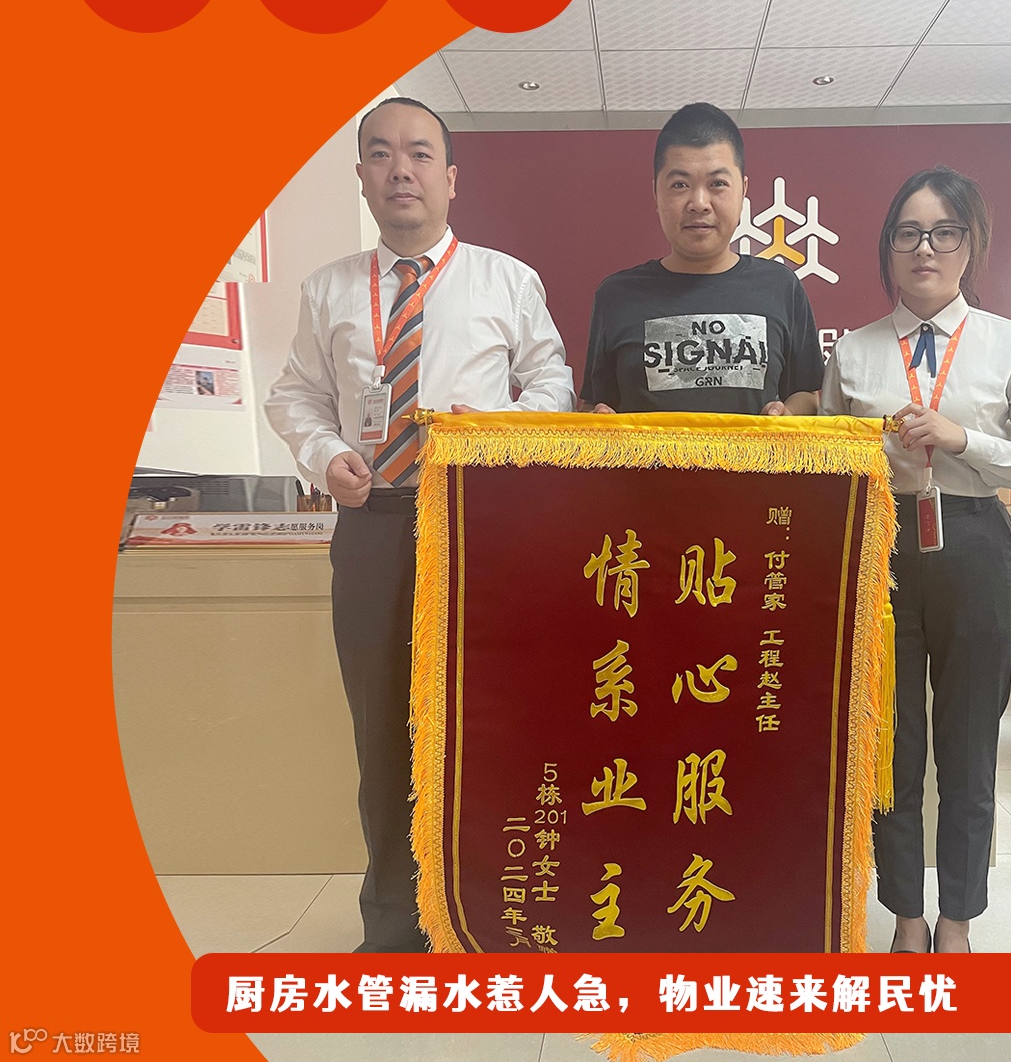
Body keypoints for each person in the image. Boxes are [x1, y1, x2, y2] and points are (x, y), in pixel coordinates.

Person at [265, 96, 575, 951]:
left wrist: (499, 432)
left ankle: (486, 916)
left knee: (486, 723)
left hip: (480, 532)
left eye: (419, 153)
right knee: (381, 729)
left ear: (451, 177)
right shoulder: (328, 288)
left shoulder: (507, 280)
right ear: (362, 176)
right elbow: (294, 395)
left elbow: (554, 381)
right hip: (372, 525)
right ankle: (393, 926)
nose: (401, 169)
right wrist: (328, 452)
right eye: (381, 153)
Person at [820, 166, 1011, 953]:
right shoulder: (855, 350)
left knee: (968, 745)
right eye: (908, 232)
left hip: (975, 544)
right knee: (890, 747)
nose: (924, 248)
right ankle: (905, 915)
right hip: (880, 553)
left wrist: (965, 439)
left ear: (971, 244)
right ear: (888, 248)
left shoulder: (1010, 342)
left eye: (944, 232)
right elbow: (827, 463)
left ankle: (957, 918)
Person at [583, 102, 823, 416]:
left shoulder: (781, 286)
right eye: (679, 185)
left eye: (717, 184)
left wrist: (787, 415)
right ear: (656, 193)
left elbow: (806, 394)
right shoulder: (617, 295)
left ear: (743, 190)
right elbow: (593, 404)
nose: (699, 203)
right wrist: (598, 420)